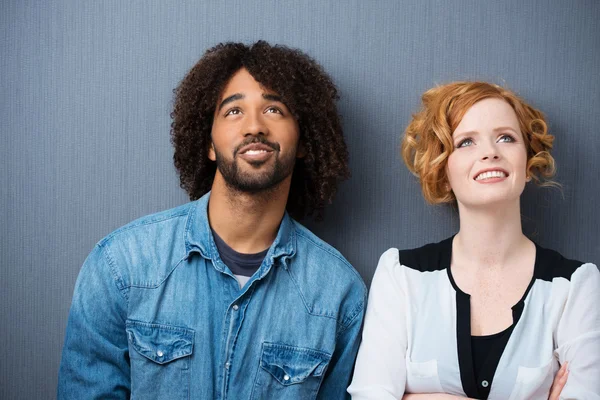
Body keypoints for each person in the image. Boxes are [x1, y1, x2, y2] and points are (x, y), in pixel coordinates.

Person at [58, 41, 366, 399]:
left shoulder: (339, 296)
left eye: (274, 109)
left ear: (303, 142)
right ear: (208, 142)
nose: (255, 126)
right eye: (234, 111)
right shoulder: (121, 265)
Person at [348, 82, 599, 399]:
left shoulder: (576, 285)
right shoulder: (401, 275)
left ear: (527, 164)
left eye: (506, 137)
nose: (490, 152)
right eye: (466, 142)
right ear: (442, 171)